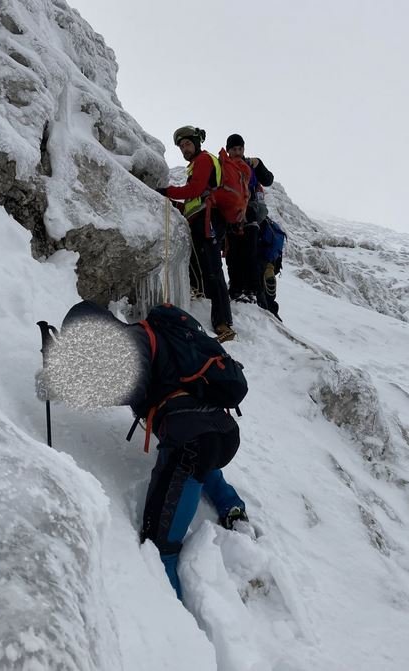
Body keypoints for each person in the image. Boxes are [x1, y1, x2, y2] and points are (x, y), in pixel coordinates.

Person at [61, 300, 248, 600]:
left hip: (190, 443)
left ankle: (175, 622)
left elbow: (130, 386)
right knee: (201, 463)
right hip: (222, 432)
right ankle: (232, 507)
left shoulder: (132, 339)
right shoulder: (155, 335)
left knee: (159, 544)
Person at [155, 126, 235, 342]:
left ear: (196, 143)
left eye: (187, 144)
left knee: (213, 269)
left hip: (209, 219)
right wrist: (170, 203)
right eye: (181, 146)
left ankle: (223, 322)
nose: (184, 149)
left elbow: (195, 191)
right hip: (199, 220)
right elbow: (192, 201)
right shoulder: (193, 167)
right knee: (202, 265)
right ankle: (206, 304)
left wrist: (166, 191)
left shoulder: (204, 160)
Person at [224, 134, 275, 310]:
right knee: (233, 254)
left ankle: (252, 290)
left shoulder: (251, 165)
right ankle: (236, 288)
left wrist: (259, 164)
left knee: (249, 251)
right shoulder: (224, 166)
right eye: (234, 149)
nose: (237, 152)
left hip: (250, 214)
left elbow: (268, 179)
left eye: (240, 149)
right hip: (231, 215)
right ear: (229, 150)